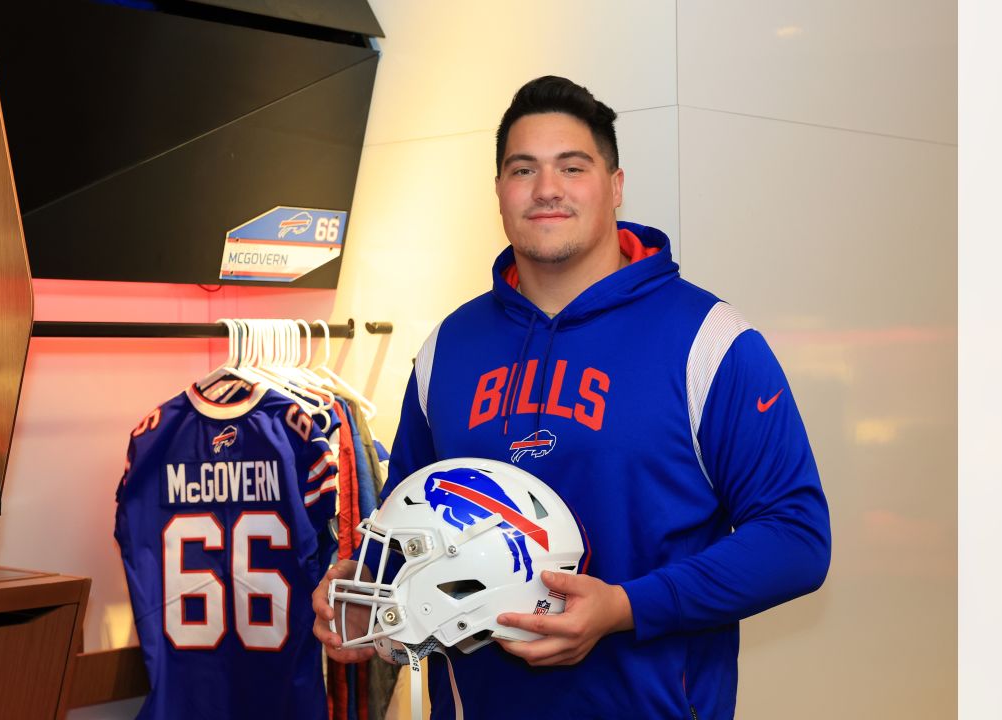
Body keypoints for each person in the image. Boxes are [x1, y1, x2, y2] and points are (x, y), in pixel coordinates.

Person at [312, 75, 831, 719]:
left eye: (572, 166)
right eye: (523, 168)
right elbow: (412, 530)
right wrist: (371, 599)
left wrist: (625, 608)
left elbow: (796, 539)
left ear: (614, 186)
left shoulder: (707, 341)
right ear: (499, 192)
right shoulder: (448, 347)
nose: (547, 188)